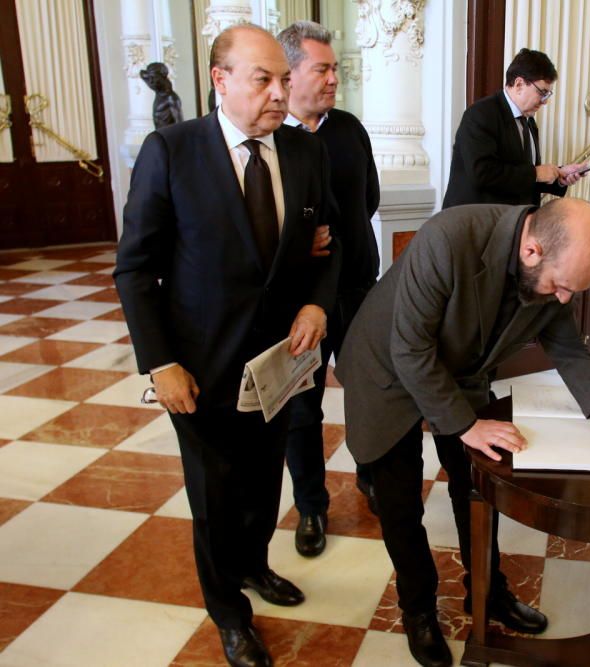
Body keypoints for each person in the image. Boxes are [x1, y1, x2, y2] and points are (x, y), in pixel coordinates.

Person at [114, 24, 341, 667]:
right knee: (215, 494)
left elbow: (329, 245)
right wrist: (161, 363)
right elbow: (134, 269)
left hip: (279, 364)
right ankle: (229, 611)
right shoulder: (172, 151)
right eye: (262, 78)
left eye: (283, 77)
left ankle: (253, 567)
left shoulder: (303, 153)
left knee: (266, 479)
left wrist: (317, 301)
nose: (281, 90)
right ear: (220, 80)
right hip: (199, 367)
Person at [335, 197, 590, 667]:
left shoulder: (551, 270)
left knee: (479, 485)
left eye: (572, 292)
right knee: (399, 503)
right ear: (532, 251)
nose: (564, 299)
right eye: (562, 287)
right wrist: (466, 425)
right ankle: (418, 610)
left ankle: (487, 592)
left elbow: (567, 347)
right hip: (387, 370)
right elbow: (411, 350)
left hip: (460, 370)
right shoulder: (448, 238)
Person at [276, 20, 381, 558]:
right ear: (289, 74)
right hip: (302, 300)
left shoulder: (348, 128)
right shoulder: (272, 140)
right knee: (303, 406)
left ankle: (370, 475)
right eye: (322, 69)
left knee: (368, 389)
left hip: (359, 286)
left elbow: (369, 198)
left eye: (335, 69)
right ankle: (312, 506)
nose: (333, 79)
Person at [442, 48, 589, 209]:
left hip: (512, 223)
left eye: (548, 94)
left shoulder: (529, 122)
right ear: (519, 84)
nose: (545, 101)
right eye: (542, 92)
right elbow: (482, 174)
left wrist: (559, 176)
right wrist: (536, 173)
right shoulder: (480, 114)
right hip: (475, 224)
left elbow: (522, 180)